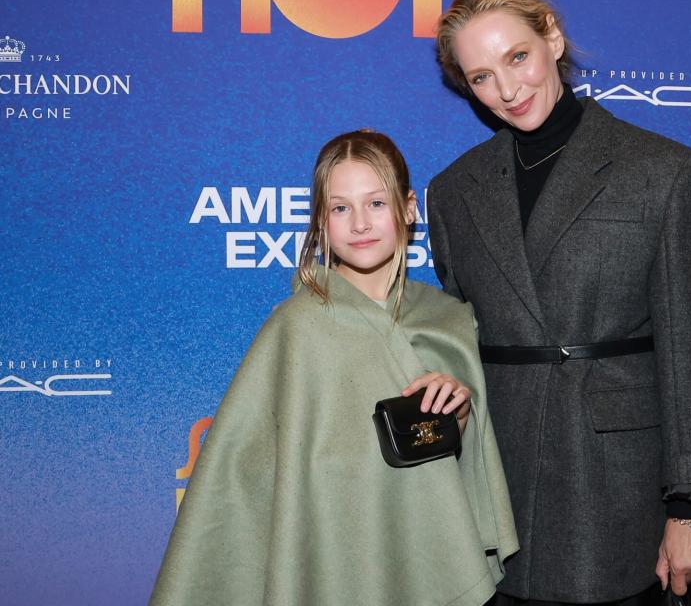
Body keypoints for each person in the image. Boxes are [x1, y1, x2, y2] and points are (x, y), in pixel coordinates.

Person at [427, 0, 691, 605]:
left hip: (617, 483)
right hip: (498, 487)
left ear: (552, 37)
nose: (508, 90)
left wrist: (690, 509)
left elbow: (686, 353)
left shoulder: (665, 172)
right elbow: (455, 338)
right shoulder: (454, 191)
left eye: (517, 57)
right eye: (481, 77)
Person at [150, 130, 518, 606]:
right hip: (329, 556)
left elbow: (469, 477)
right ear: (321, 221)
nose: (360, 223)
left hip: (427, 546)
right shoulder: (296, 327)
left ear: (409, 209)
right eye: (341, 208)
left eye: (377, 204)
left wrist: (458, 417)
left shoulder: (450, 319)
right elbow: (239, 479)